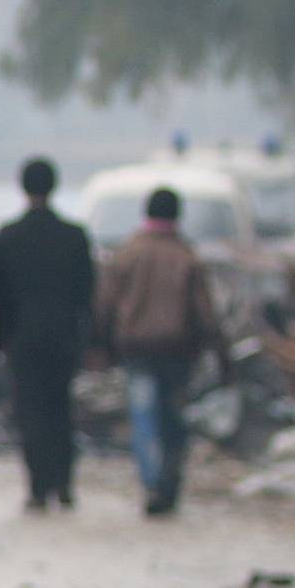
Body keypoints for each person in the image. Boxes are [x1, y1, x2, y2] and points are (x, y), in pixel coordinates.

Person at [96, 185, 226, 517]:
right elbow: (205, 313)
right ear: (176, 216)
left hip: (136, 351)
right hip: (178, 353)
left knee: (144, 419)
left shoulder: (126, 253)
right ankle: (168, 484)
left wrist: (101, 348)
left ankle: (151, 482)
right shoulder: (187, 256)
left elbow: (105, 306)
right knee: (173, 421)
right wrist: (221, 355)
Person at [0, 158, 96, 512]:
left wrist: (4, 338)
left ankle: (38, 486)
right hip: (63, 336)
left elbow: (0, 295)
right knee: (61, 408)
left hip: (22, 338)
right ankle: (63, 483)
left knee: (31, 412)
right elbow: (86, 292)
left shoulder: (8, 237)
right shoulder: (74, 236)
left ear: (23, 187)